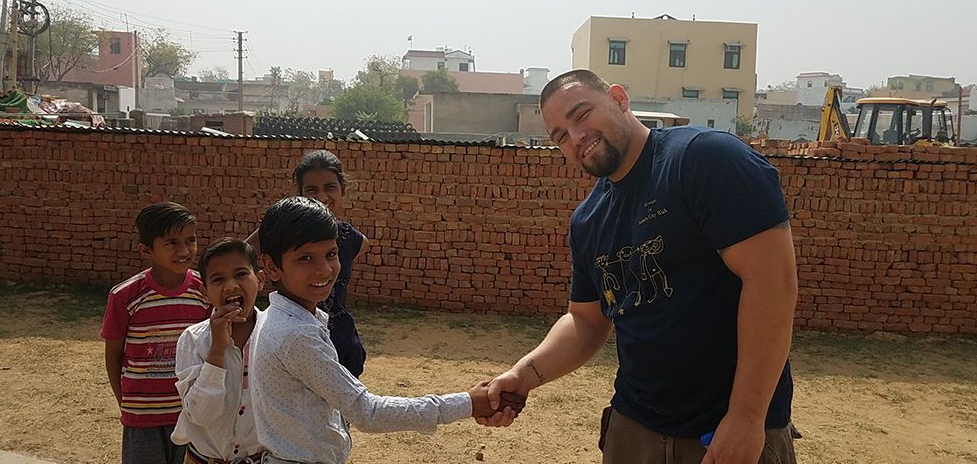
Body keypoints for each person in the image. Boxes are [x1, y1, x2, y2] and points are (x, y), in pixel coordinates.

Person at [478, 70, 799, 464]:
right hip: (634, 430)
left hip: (724, 432)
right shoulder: (589, 220)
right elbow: (586, 322)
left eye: (581, 115)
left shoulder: (704, 159)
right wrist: (524, 375)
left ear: (618, 98)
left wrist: (747, 418)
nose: (576, 137)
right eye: (560, 135)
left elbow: (772, 284)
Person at [249, 197, 519, 464]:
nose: (324, 269)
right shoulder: (296, 334)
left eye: (331, 254)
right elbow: (368, 412)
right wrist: (468, 403)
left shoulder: (280, 318)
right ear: (272, 266)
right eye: (305, 258)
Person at [101, 202, 211, 464]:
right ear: (146, 250)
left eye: (190, 240)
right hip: (142, 418)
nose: (184, 250)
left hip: (191, 414)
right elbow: (114, 357)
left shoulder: (204, 292)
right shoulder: (125, 296)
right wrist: (126, 405)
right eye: (171, 243)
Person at [247, 150, 369, 377]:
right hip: (295, 334)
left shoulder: (353, 239)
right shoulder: (284, 235)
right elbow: (241, 256)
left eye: (330, 187)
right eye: (311, 190)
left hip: (339, 340)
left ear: (343, 190)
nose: (322, 196)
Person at [171, 238, 266, 463]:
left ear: (260, 279)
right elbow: (201, 415)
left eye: (241, 274)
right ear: (205, 292)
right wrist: (217, 351)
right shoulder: (193, 340)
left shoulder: (275, 335)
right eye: (218, 279)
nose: (231, 285)